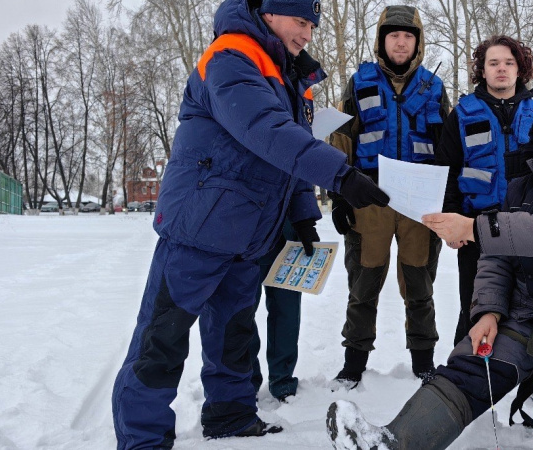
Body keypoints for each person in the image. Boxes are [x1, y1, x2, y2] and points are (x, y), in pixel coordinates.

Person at [111, 0, 390, 448]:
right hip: (198, 227)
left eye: (313, 25)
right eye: (300, 22)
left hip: (248, 233)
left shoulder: (290, 75)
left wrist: (302, 212)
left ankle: (230, 414)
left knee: (235, 331)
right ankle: (142, 438)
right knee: (162, 337)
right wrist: (339, 173)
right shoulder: (231, 56)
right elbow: (267, 129)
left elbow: (292, 150)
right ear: (271, 14)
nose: (307, 34)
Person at [327, 83, 533, 450]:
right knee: (472, 363)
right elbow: (497, 255)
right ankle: (393, 443)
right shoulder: (523, 186)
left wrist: (474, 227)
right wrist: (488, 309)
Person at [328, 5, 451, 388]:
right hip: (371, 198)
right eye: (393, 35)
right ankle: (354, 363)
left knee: (420, 286)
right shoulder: (359, 81)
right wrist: (340, 193)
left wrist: (449, 201)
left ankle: (423, 361)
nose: (401, 42)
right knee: (363, 285)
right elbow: (340, 138)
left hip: (419, 203)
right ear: (382, 40)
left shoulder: (435, 87)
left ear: (418, 43)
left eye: (408, 36)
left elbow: (448, 147)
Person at [434, 35, 533, 345]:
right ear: (482, 70)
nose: (501, 69)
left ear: (521, 69)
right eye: (493, 63)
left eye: (509, 63)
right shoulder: (463, 114)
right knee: (475, 304)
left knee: (531, 304)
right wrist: (452, 222)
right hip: (476, 226)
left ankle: (531, 381)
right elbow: (447, 170)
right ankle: (464, 375)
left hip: (528, 226)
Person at [250, 222, 302, 403]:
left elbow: (300, 192)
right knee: (240, 317)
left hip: (286, 239)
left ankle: (283, 381)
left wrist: (306, 220)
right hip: (243, 238)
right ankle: (245, 382)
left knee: (287, 314)